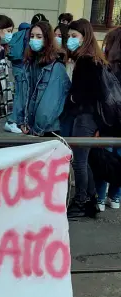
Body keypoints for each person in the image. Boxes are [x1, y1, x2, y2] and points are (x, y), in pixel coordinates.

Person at [64, 18, 107, 218]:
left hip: (85, 116)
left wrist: (71, 97)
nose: (70, 39)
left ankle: (81, 201)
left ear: (85, 36)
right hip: (91, 117)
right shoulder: (93, 59)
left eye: (74, 36)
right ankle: (91, 200)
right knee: (84, 160)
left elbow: (88, 92)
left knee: (79, 161)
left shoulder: (87, 61)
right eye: (69, 36)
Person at [14, 22, 70, 137]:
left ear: (47, 39)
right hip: (31, 126)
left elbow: (50, 104)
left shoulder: (56, 66)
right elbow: (21, 94)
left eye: (39, 37)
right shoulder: (29, 63)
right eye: (32, 36)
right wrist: (22, 121)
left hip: (48, 129)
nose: (34, 39)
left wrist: (38, 128)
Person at [95, 27, 121, 211]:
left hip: (109, 117)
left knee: (105, 156)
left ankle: (100, 197)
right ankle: (116, 197)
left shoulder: (107, 67)